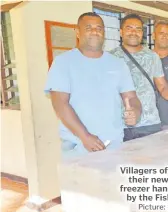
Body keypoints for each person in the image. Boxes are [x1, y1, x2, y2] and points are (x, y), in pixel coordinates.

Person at [44, 12, 141, 158]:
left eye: (99, 28)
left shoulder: (118, 64)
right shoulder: (63, 62)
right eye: (89, 27)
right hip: (78, 148)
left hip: (114, 146)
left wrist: (136, 112)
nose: (95, 31)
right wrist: (85, 136)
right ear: (78, 32)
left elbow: (131, 97)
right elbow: (60, 105)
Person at [110, 14, 168, 141]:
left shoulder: (152, 56)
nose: (134, 32)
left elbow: (163, 87)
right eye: (129, 28)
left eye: (138, 29)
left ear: (142, 33)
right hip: (120, 125)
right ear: (121, 32)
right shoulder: (110, 58)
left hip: (150, 124)